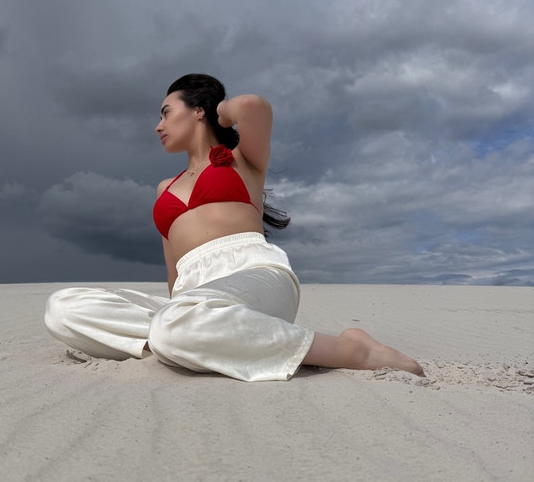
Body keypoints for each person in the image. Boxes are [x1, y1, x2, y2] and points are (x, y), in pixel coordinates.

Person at [44, 74, 424, 381]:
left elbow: (253, 106)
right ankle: (190, 340)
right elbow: (175, 276)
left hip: (254, 274)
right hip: (193, 299)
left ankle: (352, 349)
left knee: (174, 326)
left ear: (198, 111)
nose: (158, 126)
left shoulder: (242, 160)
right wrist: (180, 307)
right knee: (62, 309)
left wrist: (220, 110)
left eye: (166, 113)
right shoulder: (164, 189)